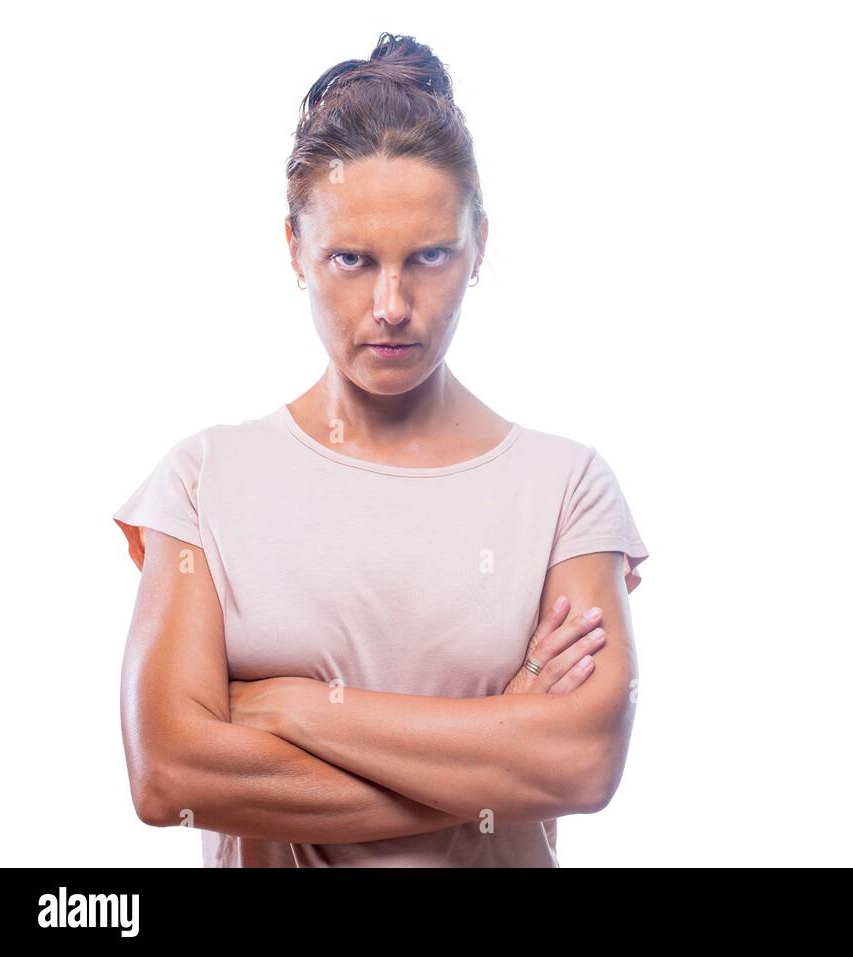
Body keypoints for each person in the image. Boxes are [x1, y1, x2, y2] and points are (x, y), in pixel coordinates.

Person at [112, 33, 649, 867]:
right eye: (352, 259)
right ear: (295, 249)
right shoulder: (203, 481)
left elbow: (580, 761)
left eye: (429, 255)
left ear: (478, 245)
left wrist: (287, 707)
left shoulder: (566, 488)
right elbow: (168, 775)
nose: (392, 305)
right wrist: (491, 758)